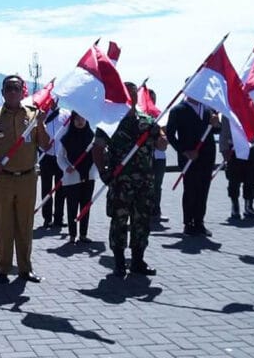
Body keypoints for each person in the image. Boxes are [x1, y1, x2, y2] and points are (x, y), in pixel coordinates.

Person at [0, 75, 50, 284]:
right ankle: (2, 269)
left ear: (22, 92)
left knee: (25, 226)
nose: (12, 92)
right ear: (2, 92)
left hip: (27, 178)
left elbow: (46, 145)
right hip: (2, 180)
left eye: (16, 88)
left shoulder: (33, 116)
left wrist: (42, 125)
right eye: (8, 88)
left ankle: (25, 269)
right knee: (2, 225)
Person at [94, 82, 161, 277]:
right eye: (126, 94)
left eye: (132, 95)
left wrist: (160, 136)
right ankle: (119, 262)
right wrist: (103, 172)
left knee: (142, 222)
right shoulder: (110, 122)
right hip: (121, 182)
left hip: (145, 183)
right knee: (119, 221)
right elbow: (97, 149)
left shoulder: (147, 121)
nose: (129, 98)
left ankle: (138, 260)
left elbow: (162, 144)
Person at [166, 96, 220, 236]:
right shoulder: (178, 109)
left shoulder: (209, 109)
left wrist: (216, 124)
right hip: (189, 156)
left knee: (203, 189)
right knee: (190, 189)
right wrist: (184, 151)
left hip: (207, 156)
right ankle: (188, 223)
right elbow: (170, 135)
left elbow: (216, 131)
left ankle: (199, 222)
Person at [56, 111, 94, 244]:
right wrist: (66, 167)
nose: (80, 121)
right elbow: (60, 157)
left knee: (85, 206)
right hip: (72, 177)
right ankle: (72, 234)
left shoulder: (92, 137)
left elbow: (97, 156)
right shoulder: (67, 138)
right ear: (72, 120)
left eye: (82, 118)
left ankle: (83, 234)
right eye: (77, 118)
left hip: (89, 176)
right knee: (72, 207)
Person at [219, 116, 254, 220]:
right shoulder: (227, 113)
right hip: (234, 149)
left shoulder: (252, 109)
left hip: (251, 147)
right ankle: (235, 206)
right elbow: (224, 132)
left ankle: (249, 206)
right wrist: (224, 149)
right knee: (234, 180)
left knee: (251, 179)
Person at [39, 103, 71, 229]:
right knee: (46, 189)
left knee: (61, 189)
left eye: (54, 99)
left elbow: (70, 133)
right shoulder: (41, 114)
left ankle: (59, 217)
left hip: (60, 156)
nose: (52, 101)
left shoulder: (66, 114)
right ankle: (47, 218)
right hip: (45, 156)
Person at [148, 90, 169, 222]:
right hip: (146, 157)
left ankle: (156, 210)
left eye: (153, 99)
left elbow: (166, 137)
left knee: (157, 185)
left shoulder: (160, 117)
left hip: (159, 156)